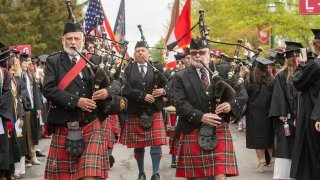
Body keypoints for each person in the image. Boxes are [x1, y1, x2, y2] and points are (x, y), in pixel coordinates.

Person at [43, 22, 126, 180]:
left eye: (76, 38)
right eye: (69, 38)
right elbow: (48, 89)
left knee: (89, 174)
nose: (72, 42)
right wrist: (76, 101)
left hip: (91, 122)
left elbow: (117, 82)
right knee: (65, 176)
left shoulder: (94, 60)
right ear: (63, 40)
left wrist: (107, 92)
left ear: (82, 41)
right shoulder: (53, 61)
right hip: (65, 122)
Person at [174, 37, 241, 180]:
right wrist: (201, 116)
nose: (198, 55)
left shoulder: (224, 71)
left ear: (209, 53)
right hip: (193, 127)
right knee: (199, 176)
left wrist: (231, 105)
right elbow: (179, 103)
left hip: (219, 128)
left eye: (202, 52)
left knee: (220, 174)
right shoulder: (181, 76)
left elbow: (242, 93)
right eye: (194, 53)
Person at [120, 41, 167, 180]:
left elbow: (170, 84)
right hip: (136, 112)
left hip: (154, 111)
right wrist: (142, 96)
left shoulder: (156, 67)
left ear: (148, 53)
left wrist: (163, 90)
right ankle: (141, 172)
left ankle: (155, 173)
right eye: (138, 51)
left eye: (143, 50)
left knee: (156, 143)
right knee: (139, 146)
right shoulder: (129, 68)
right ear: (134, 54)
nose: (140, 53)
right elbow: (125, 89)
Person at [290, 29, 320, 180]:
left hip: (312, 113)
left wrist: (301, 64)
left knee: (312, 153)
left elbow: (298, 82)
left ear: (316, 46)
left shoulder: (314, 65)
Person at [269, 41, 301, 180]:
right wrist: (282, 113)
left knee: (297, 146)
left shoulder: (302, 73)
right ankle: (282, 176)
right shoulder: (281, 75)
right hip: (287, 119)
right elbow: (278, 95)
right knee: (285, 146)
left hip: (298, 117)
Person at [245, 57, 274, 173]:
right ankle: (272, 162)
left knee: (258, 138)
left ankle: (261, 162)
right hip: (268, 112)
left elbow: (245, 95)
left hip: (254, 114)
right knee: (270, 137)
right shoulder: (271, 80)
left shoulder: (251, 79)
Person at [0, 49, 14, 180]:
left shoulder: (4, 73)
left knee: (3, 144)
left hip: (0, 114)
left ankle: (3, 172)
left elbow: (6, 92)